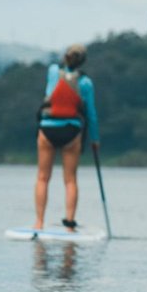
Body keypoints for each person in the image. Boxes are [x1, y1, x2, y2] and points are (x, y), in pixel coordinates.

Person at [33, 44, 100, 231]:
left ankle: (39, 222)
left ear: (66, 57)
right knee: (70, 180)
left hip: (48, 128)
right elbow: (91, 114)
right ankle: (69, 224)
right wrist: (95, 140)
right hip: (71, 130)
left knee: (42, 177)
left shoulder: (53, 71)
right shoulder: (86, 82)